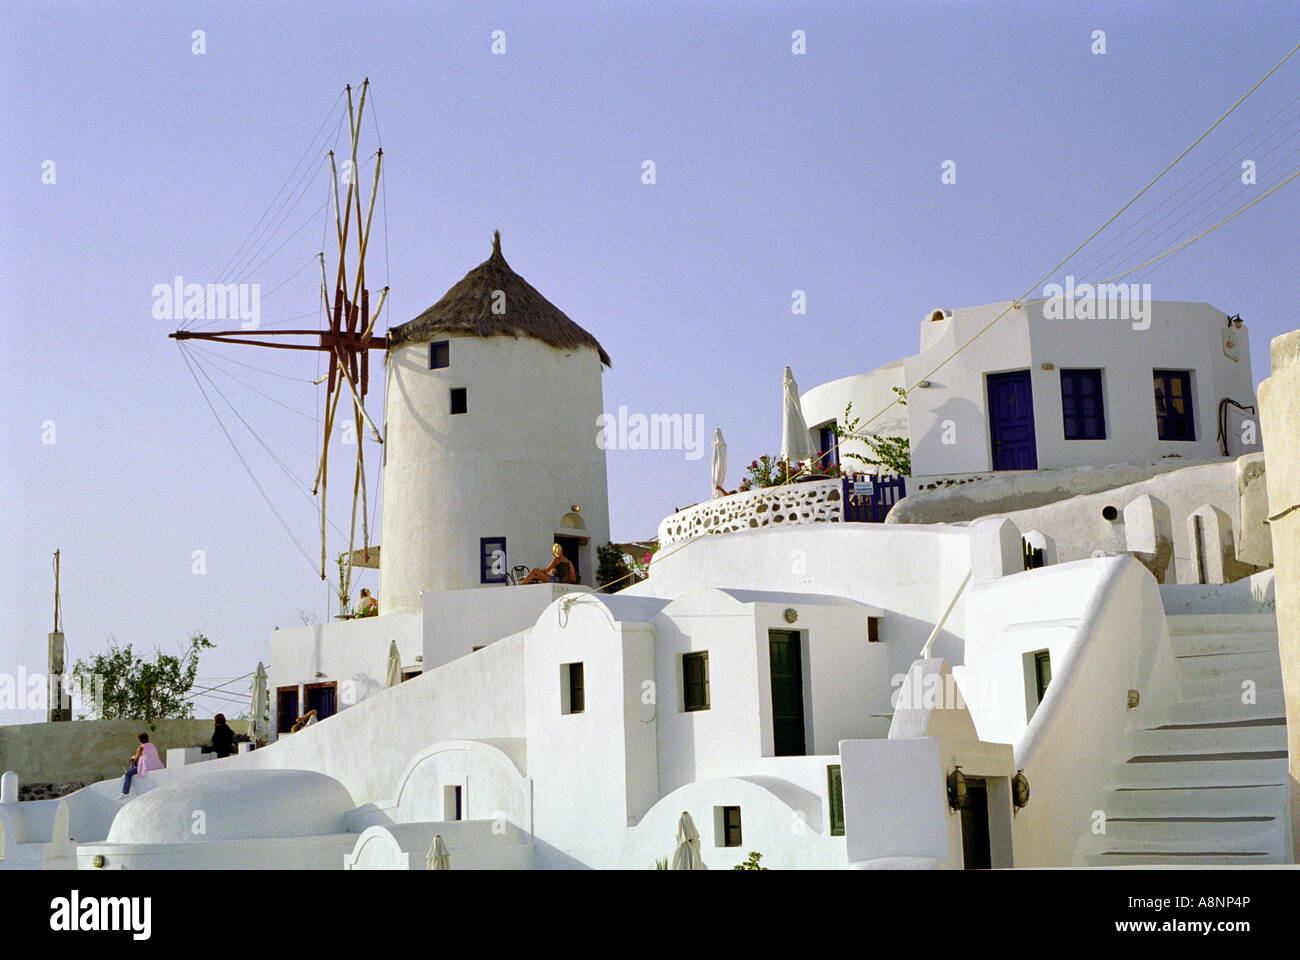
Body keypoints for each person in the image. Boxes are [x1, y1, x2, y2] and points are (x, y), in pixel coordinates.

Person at [121, 732, 162, 797]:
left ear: (140, 740)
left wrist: (132, 757)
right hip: (157, 765)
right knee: (138, 760)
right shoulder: (152, 745)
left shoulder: (141, 747)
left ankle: (125, 792)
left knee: (128, 774)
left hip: (147, 766)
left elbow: (136, 757)